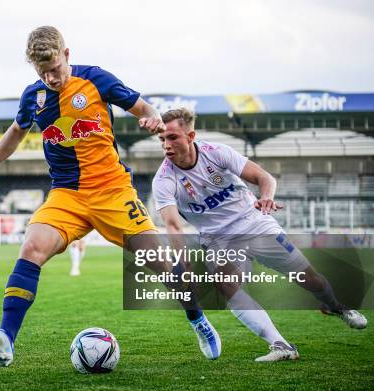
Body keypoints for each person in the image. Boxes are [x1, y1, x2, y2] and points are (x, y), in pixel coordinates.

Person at [0, 26, 221, 368]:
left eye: (55, 69)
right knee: (31, 248)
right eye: (42, 72)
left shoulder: (95, 80)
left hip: (112, 190)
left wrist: (150, 118)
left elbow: (144, 108)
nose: (51, 78)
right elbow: (16, 131)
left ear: (67, 55)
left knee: (162, 263)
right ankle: (6, 338)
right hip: (66, 195)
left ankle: (199, 321)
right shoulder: (34, 96)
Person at [152, 108, 368, 362]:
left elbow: (264, 178)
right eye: (162, 139)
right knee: (227, 286)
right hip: (218, 239)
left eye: (172, 137)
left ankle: (336, 307)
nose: (166, 145)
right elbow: (173, 225)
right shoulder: (164, 179)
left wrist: (266, 197)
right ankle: (281, 345)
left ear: (191, 136)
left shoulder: (217, 153)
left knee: (311, 280)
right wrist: (183, 262)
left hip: (253, 222)